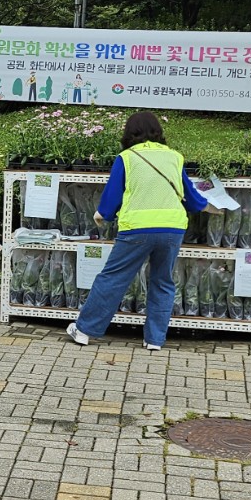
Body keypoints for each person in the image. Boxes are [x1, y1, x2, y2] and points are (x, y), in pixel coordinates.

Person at [65, 111, 207, 351]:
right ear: (158, 131)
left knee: (112, 279)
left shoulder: (127, 158)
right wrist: (207, 206)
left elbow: (112, 195)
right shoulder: (175, 157)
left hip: (137, 230)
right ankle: (154, 340)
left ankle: (85, 330)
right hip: (172, 228)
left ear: (129, 133)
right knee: (162, 282)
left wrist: (103, 215)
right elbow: (191, 198)